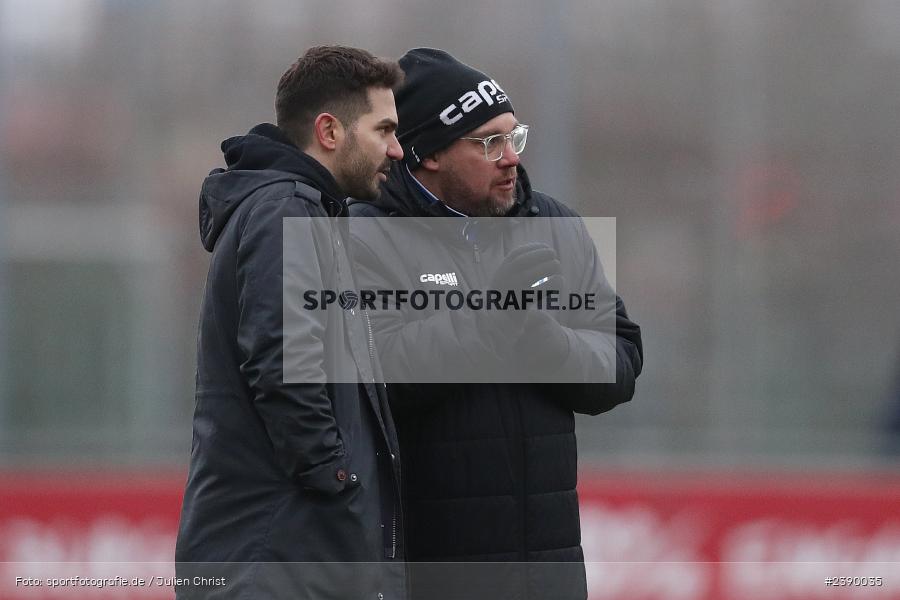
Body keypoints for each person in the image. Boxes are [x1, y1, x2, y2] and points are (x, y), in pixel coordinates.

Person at [348, 48, 644, 599]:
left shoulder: (556, 225)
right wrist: (493, 316)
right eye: (489, 144)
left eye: (515, 137)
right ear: (428, 155)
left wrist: (546, 342)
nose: (511, 157)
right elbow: (374, 377)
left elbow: (619, 366)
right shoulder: (361, 236)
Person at [174, 46, 406, 599]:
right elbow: (282, 366)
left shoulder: (306, 212)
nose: (397, 149)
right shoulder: (286, 211)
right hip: (277, 562)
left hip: (288, 556)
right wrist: (335, 478)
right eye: (385, 130)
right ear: (329, 131)